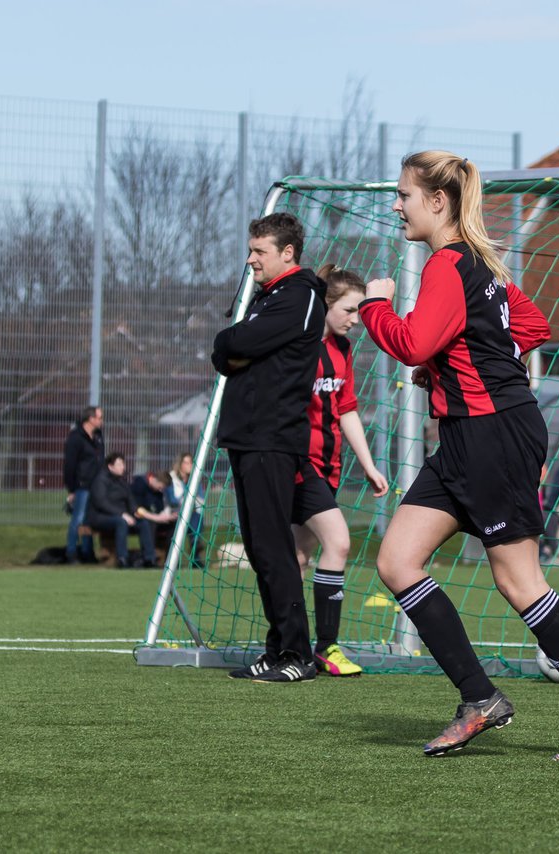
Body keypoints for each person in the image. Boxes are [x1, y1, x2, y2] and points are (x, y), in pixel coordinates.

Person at [361, 150, 559, 762]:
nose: (397, 205)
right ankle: (479, 699)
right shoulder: (482, 263)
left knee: (519, 581)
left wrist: (373, 306)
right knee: (397, 561)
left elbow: (412, 343)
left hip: (494, 434)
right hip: (465, 437)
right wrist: (459, 359)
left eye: (405, 195)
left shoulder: (448, 262)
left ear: (438, 201)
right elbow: (533, 326)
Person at [212, 211, 327, 684]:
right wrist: (232, 345)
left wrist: (232, 343)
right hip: (247, 436)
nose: (251, 259)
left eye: (259, 251)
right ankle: (278, 647)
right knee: (261, 548)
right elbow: (227, 354)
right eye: (251, 249)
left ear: (287, 253)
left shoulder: (299, 295)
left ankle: (298, 653)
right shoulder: (267, 297)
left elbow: (236, 341)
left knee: (275, 546)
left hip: (272, 438)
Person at [289, 263, 390, 678]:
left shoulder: (343, 351)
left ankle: (287, 645)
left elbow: (346, 409)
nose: (356, 319)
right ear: (325, 306)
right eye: (350, 310)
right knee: (340, 542)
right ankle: (325, 647)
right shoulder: (300, 345)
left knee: (299, 556)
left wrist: (369, 466)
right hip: (299, 466)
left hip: (329, 468)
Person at [87, 452, 157, 568]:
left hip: (122, 516)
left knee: (143, 523)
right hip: (100, 517)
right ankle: (123, 559)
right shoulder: (100, 480)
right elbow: (101, 503)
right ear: (110, 466)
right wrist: (122, 514)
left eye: (123, 464)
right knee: (121, 522)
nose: (123, 467)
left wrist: (138, 512)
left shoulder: (122, 482)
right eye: (119, 464)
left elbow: (131, 502)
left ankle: (149, 559)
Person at [63, 405, 105, 564]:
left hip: (96, 484)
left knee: (89, 520)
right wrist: (71, 488)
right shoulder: (76, 438)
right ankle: (71, 552)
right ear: (90, 419)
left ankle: (88, 552)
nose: (101, 421)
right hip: (82, 485)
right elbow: (70, 464)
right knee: (78, 518)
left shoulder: (98, 436)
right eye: (99, 417)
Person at [166, 453, 206, 568]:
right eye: (187, 463)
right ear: (180, 465)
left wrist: (189, 500)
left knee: (197, 517)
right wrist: (188, 495)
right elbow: (174, 500)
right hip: (174, 514)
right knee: (189, 519)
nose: (190, 465)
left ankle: (196, 553)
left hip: (191, 514)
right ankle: (179, 559)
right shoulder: (172, 478)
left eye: (191, 462)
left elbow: (201, 501)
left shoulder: (195, 480)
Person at [131, 470, 177, 544]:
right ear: (154, 479)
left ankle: (170, 553)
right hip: (138, 519)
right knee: (150, 524)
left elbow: (158, 509)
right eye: (160, 487)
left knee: (173, 524)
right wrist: (156, 517)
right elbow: (137, 509)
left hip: (153, 517)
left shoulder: (158, 492)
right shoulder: (140, 484)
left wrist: (166, 516)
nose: (161, 490)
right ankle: (149, 554)